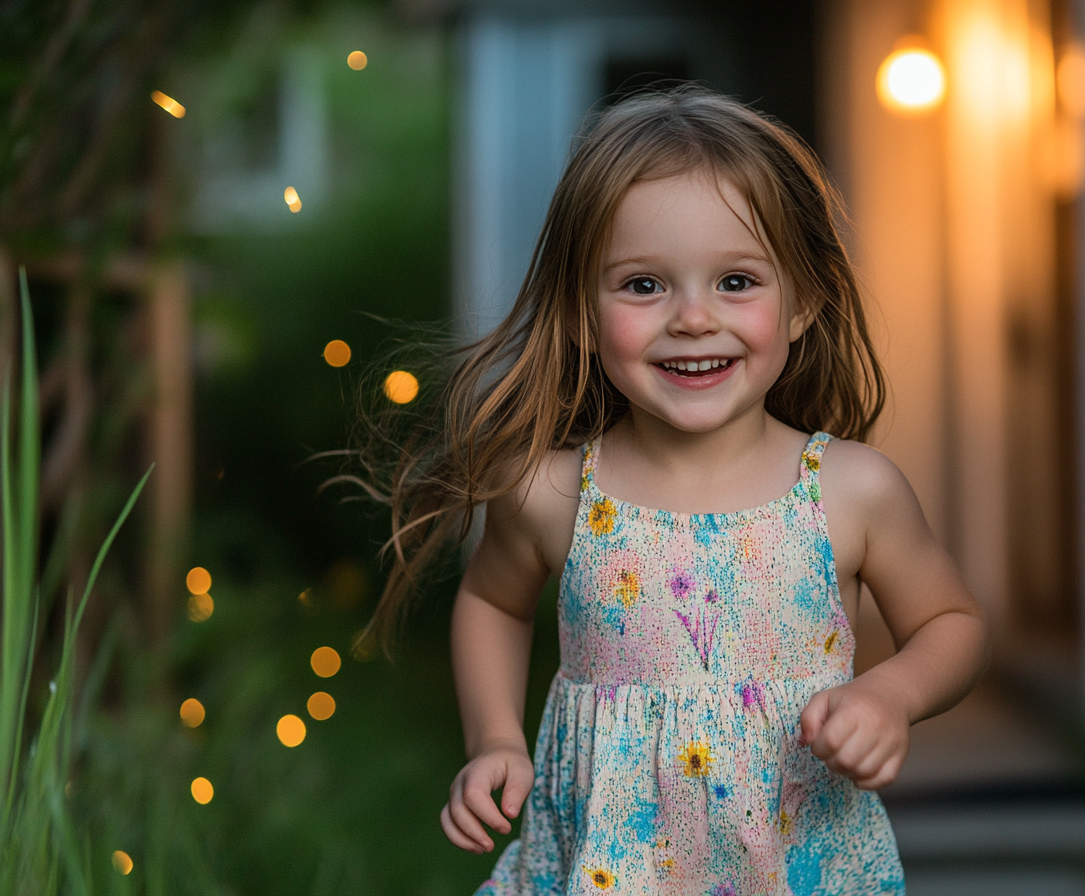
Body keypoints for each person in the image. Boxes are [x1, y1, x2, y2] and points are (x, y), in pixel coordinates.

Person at [359, 86, 988, 895]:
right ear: (582, 313)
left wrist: (890, 695)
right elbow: (494, 603)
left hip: (796, 869)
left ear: (804, 304)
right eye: (644, 286)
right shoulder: (553, 491)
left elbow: (952, 622)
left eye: (735, 282)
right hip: (602, 869)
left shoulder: (849, 491)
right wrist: (494, 740)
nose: (693, 318)